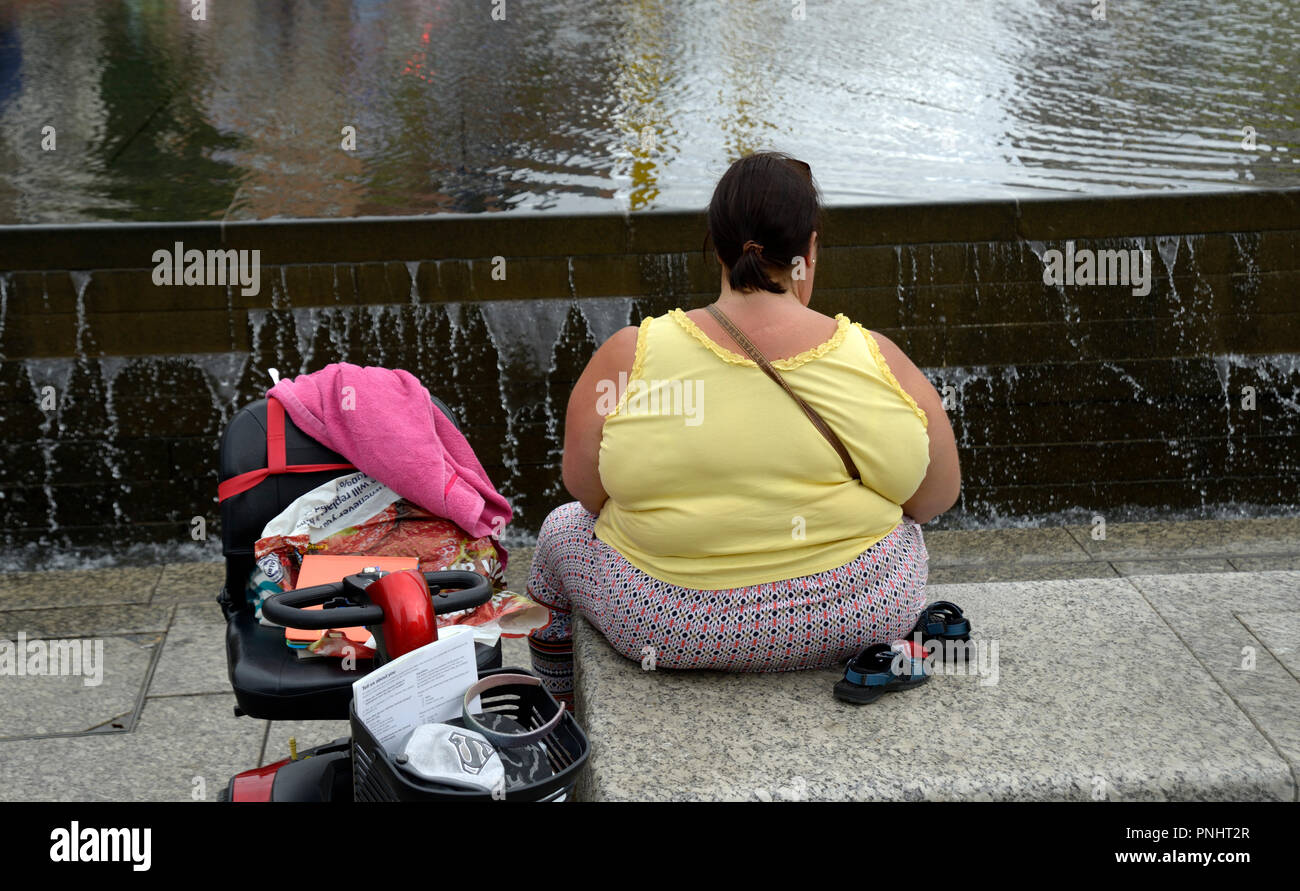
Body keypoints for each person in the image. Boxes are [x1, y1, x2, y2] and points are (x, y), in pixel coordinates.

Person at [525, 152, 961, 706]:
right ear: (809, 249)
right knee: (903, 530)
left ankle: (557, 717)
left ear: (716, 245)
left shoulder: (630, 355)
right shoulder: (876, 357)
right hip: (860, 609)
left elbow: (587, 492)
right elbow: (934, 499)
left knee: (563, 529)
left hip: (667, 622)